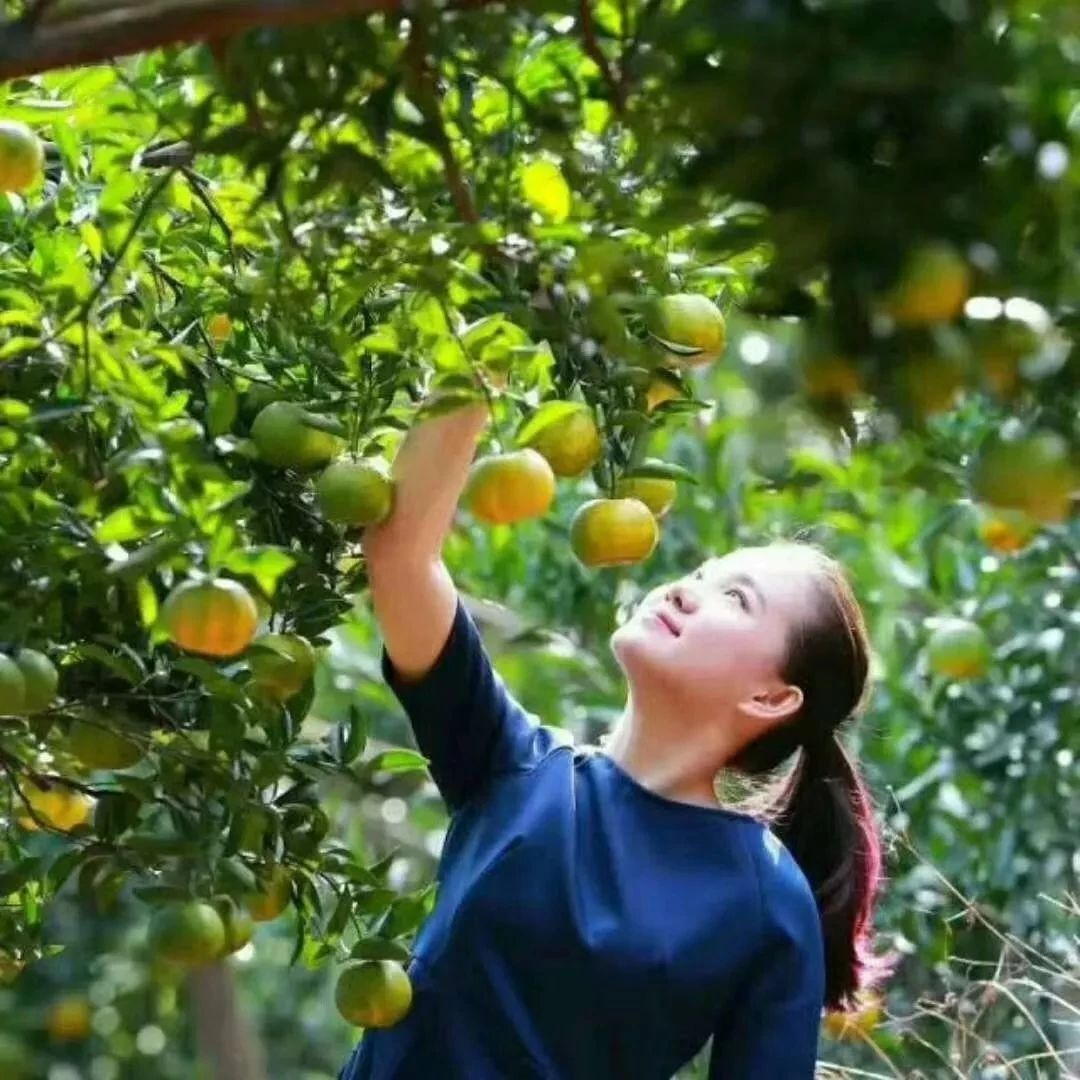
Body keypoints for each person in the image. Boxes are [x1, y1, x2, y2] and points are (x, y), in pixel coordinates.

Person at [340, 398, 897, 1079]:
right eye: (701, 575)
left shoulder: (764, 900)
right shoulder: (514, 764)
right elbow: (400, 552)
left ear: (772, 698)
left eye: (737, 598)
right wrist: (478, 367)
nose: (686, 590)